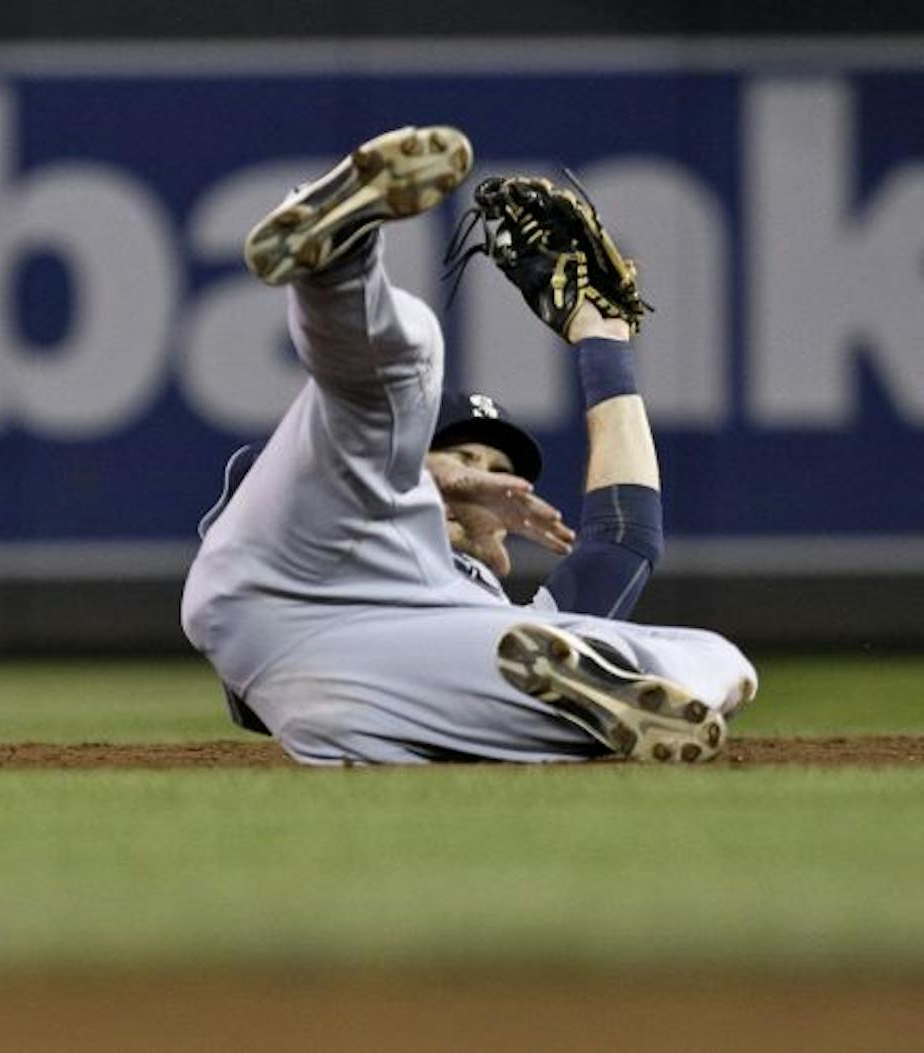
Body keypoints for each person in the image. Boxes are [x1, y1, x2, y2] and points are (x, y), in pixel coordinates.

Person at [181, 125, 757, 765]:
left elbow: (625, 540)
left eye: (498, 467)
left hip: (370, 684)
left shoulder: (499, 612)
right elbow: (259, 480)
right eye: (458, 452)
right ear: (410, 452)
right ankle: (336, 255)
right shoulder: (352, 478)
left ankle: (594, 700)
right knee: (413, 353)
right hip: (290, 586)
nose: (480, 471)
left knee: (718, 657)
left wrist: (605, 340)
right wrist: (438, 486)